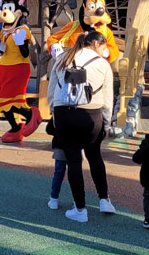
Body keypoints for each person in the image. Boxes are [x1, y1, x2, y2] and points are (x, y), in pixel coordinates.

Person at [48, 30, 115, 222]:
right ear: (95, 44)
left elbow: (52, 91)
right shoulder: (102, 64)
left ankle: (80, 209)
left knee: (73, 161)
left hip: (64, 114)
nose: (104, 51)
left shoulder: (62, 58)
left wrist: (54, 114)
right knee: (95, 156)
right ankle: (104, 200)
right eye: (103, 47)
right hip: (92, 114)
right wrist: (106, 123)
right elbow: (108, 98)